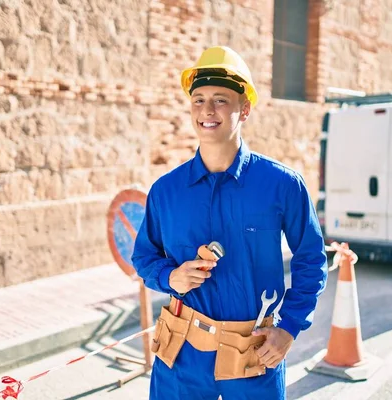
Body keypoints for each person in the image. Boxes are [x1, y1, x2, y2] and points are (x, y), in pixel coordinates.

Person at [131, 46, 328, 400]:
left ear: (245, 108)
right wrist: (169, 276)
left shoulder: (281, 185)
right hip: (181, 355)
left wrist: (289, 329)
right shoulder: (165, 191)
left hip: (253, 353)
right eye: (199, 99)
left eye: (221, 100)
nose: (207, 110)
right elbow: (144, 258)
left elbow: (311, 260)